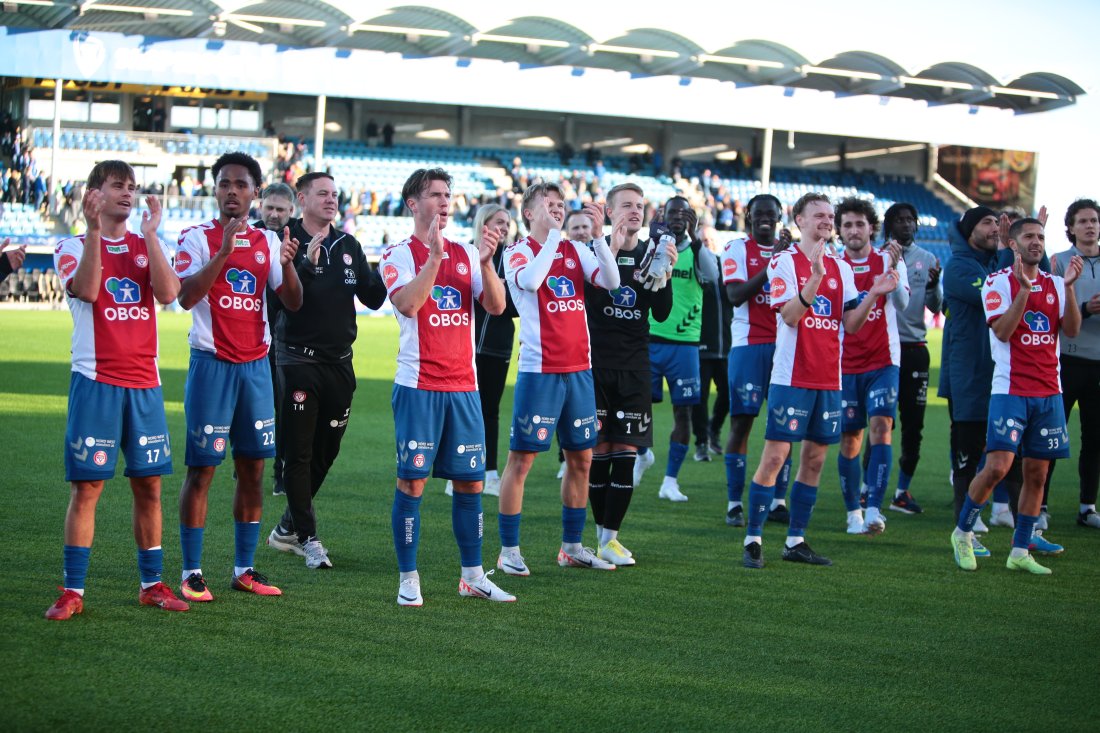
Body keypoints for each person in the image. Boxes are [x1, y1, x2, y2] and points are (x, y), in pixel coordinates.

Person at [45, 160, 188, 620]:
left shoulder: (147, 243)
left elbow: (169, 294)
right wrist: (91, 231)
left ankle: (152, 585)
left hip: (145, 384)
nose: (128, 193)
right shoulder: (70, 245)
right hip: (96, 381)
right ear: (94, 194)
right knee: (87, 488)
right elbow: (87, 290)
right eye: (117, 186)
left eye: (132, 186)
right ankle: (73, 591)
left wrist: (150, 235)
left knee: (149, 486)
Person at [741, 193, 897, 569]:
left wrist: (874, 294)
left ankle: (796, 540)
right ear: (800, 220)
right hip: (791, 376)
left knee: (814, 460)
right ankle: (753, 538)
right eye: (819, 216)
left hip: (830, 379)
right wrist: (812, 282)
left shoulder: (841, 268)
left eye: (830, 216)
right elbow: (791, 316)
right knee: (776, 457)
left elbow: (851, 325)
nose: (827, 221)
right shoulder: (784, 262)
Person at [174, 152, 303, 602]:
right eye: (224, 183)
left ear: (255, 191)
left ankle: (244, 569)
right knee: (202, 470)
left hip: (255, 368)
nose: (232, 191)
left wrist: (286, 263)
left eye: (241, 184)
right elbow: (186, 297)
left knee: (253, 469)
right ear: (215, 190)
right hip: (212, 365)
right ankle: (191, 571)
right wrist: (224, 252)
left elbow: (291, 301)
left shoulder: (268, 241)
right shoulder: (196, 238)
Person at [383, 167, 513, 605]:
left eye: (447, 195)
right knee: (412, 483)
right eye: (434, 194)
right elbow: (407, 304)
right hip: (418, 387)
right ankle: (408, 578)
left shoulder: (466, 252)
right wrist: (435, 259)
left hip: (463, 389)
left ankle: (473, 576)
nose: (443, 202)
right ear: (413, 204)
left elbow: (495, 305)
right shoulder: (398, 254)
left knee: (471, 484)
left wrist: (487, 263)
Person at [496, 182, 622, 575]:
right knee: (522, 461)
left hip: (579, 371)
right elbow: (532, 282)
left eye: (561, 205)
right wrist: (552, 237)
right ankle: (509, 551)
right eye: (548, 205)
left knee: (581, 459)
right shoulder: (518, 252)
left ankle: (571, 546)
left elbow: (612, 281)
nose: (557, 210)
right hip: (540, 371)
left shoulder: (576, 250)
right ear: (529, 213)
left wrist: (599, 238)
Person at [265, 172, 386, 569]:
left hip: (340, 363)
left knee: (327, 451)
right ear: (302, 198)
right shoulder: (284, 239)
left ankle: (287, 527)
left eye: (334, 194)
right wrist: (302, 264)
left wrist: (392, 262)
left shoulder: (349, 243)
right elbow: (278, 302)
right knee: (298, 454)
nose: (331, 199)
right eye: (323, 193)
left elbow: (372, 295)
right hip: (297, 359)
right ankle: (308, 537)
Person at [951, 218, 1083, 574]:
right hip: (1010, 390)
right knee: (997, 467)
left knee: (1037, 474)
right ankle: (962, 533)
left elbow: (1070, 330)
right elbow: (1005, 332)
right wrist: (1024, 291)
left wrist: (1069, 289)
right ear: (1013, 243)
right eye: (1029, 236)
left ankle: (1020, 549)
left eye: (1041, 236)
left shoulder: (1056, 283)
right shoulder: (997, 283)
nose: (1037, 242)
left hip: (1049, 392)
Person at [584, 183, 674, 565]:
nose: (635, 211)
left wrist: (665, 274)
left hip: (635, 367)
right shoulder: (593, 251)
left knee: (626, 453)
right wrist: (614, 250)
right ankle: (595, 535)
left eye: (640, 206)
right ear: (609, 211)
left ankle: (610, 539)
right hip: (595, 365)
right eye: (626, 205)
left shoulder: (651, 254)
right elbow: (591, 300)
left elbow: (662, 312)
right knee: (596, 453)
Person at [634, 196, 719, 501]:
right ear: (664, 216)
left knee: (682, 411)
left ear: (692, 220)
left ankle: (670, 481)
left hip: (684, 345)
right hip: (651, 338)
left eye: (685, 213)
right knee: (638, 405)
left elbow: (713, 277)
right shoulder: (651, 246)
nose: (679, 217)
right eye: (673, 212)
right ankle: (643, 453)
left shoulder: (697, 252)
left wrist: (696, 240)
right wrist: (653, 239)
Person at [834, 199, 909, 535]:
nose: (853, 231)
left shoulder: (887, 258)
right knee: (850, 439)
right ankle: (853, 512)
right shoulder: (834, 264)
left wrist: (896, 266)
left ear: (871, 228)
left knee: (882, 426)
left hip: (883, 361)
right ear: (839, 230)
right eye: (847, 225)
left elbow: (904, 304)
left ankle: (875, 509)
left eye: (859, 224)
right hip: (845, 363)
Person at [721, 195, 794, 527]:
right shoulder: (736, 248)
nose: (765, 218)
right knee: (742, 423)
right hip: (749, 346)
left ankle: (778, 500)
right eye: (759, 213)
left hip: (786, 348)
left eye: (771, 214)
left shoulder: (792, 253)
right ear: (748, 215)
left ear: (780, 217)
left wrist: (785, 258)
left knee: (785, 425)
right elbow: (735, 296)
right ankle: (734, 502)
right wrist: (773, 264)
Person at [939, 206, 1002, 557]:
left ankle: (1017, 519)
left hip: (1000, 372)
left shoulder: (994, 263)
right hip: (970, 372)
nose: (994, 228)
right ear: (970, 230)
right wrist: (1009, 250)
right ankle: (962, 527)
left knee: (1008, 452)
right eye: (987, 222)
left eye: (997, 222)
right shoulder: (960, 266)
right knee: (968, 451)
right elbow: (996, 298)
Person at [445, 204, 515, 498]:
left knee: (490, 411)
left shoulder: (512, 259)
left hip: (498, 347)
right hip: (463, 345)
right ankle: (455, 471)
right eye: (498, 222)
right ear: (482, 224)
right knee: (461, 410)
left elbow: (512, 307)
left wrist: (501, 288)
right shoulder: (465, 254)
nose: (503, 228)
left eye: (507, 224)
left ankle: (491, 474)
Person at [880, 203, 941, 515]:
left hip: (915, 349)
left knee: (913, 424)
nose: (906, 224)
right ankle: (870, 490)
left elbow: (935, 306)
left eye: (910, 220)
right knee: (881, 422)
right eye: (899, 220)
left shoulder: (928, 259)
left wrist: (932, 286)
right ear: (889, 225)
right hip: (883, 350)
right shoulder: (879, 256)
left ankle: (902, 490)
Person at [1049, 199, 1100, 528]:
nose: (1090, 226)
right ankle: (1038, 506)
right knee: (1051, 438)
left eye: (1094, 220)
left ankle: (1087, 508)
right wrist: (1085, 307)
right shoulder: (1058, 261)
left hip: (1098, 364)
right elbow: (1050, 312)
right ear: (1070, 228)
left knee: (1094, 439)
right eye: (1082, 221)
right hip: (1065, 361)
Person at [254, 182, 296, 496]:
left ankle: (280, 472)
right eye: (270, 207)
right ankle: (246, 461)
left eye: (280, 209)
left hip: (287, 341)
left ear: (291, 212)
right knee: (249, 407)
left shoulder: (298, 240)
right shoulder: (247, 235)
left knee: (283, 409)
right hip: (252, 338)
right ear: (261, 206)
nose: (274, 214)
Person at [692, 229, 731, 463]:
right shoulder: (696, 268)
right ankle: (701, 442)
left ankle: (713, 429)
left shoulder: (727, 267)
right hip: (700, 343)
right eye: (703, 240)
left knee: (728, 394)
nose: (707, 244)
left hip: (727, 343)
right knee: (700, 397)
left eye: (710, 240)